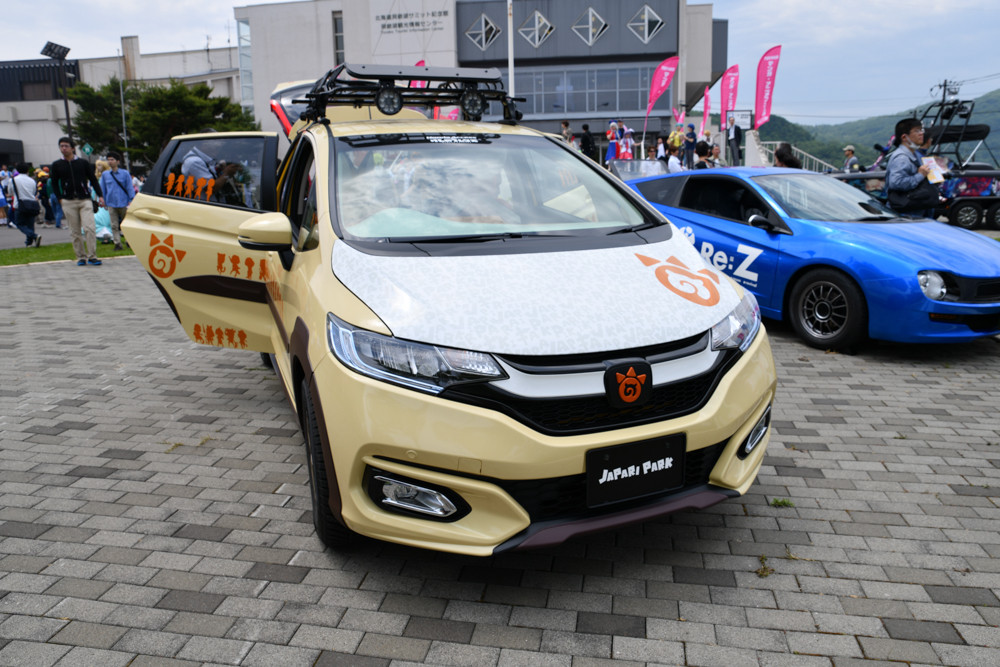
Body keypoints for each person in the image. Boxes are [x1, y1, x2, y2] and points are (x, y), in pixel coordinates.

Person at [50, 136, 104, 266]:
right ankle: (80, 257)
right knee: (74, 231)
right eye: (61, 146)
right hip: (68, 200)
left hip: (85, 199)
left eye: (66, 146)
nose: (64, 148)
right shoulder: (57, 165)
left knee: (89, 228)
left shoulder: (82, 163)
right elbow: (54, 183)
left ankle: (92, 256)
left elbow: (93, 179)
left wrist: (100, 195)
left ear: (73, 148)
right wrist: (60, 198)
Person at [886, 118, 937, 219]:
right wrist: (920, 175)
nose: (921, 133)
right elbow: (896, 183)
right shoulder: (902, 158)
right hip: (906, 214)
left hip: (915, 210)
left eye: (921, 130)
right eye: (917, 131)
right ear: (904, 137)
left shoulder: (914, 154)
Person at [99, 151, 135, 250]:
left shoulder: (125, 173)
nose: (110, 162)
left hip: (124, 202)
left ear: (118, 161)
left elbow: (129, 187)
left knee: (126, 224)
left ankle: (129, 241)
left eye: (112, 160)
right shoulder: (105, 175)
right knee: (114, 225)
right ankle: (117, 243)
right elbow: (103, 189)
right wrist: (102, 200)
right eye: (108, 160)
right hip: (111, 203)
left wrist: (131, 199)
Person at [8, 163, 42, 247]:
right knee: (30, 224)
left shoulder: (13, 180)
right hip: (31, 203)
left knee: (19, 224)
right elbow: (33, 192)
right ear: (27, 170)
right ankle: (29, 242)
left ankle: (34, 236)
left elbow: (10, 192)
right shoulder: (32, 180)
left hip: (20, 204)